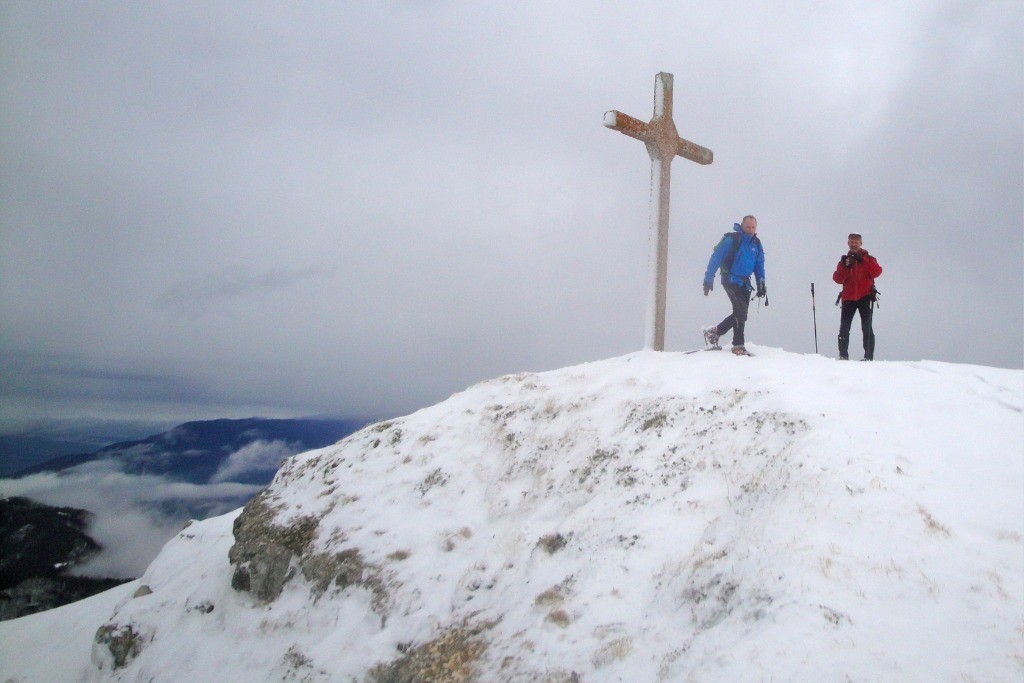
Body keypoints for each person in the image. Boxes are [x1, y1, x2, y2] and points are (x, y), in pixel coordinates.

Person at [702, 215, 766, 355]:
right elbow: (716, 257)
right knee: (741, 312)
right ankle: (738, 345)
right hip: (730, 279)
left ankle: (715, 333)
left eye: (753, 227)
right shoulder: (732, 239)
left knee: (740, 314)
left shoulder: (756, 244)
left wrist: (761, 284)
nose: (750, 230)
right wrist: (709, 277)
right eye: (747, 227)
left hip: (745, 283)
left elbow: (759, 266)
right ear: (742, 226)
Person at [832, 233, 882, 360]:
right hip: (848, 297)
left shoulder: (869, 258)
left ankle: (868, 356)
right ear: (848, 243)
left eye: (856, 242)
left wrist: (862, 260)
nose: (854, 244)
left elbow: (877, 271)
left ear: (861, 243)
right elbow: (837, 279)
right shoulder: (844, 261)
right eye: (851, 242)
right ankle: (843, 354)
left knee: (866, 327)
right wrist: (845, 267)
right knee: (844, 327)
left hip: (865, 296)